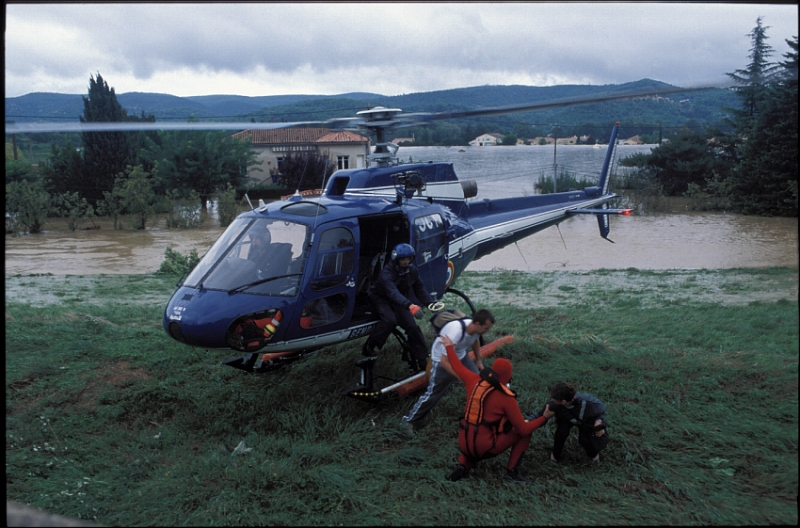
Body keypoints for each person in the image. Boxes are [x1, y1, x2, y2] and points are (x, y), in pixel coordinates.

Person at [441, 335, 555, 483]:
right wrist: (544, 417)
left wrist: (449, 346)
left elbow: (457, 365)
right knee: (525, 433)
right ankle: (512, 473)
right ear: (508, 377)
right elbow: (523, 429)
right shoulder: (506, 398)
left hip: (463, 442)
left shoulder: (473, 381)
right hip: (485, 447)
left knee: (478, 431)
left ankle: (464, 464)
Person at [401, 308, 495, 431]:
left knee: (478, 385)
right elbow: (444, 362)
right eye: (486, 328)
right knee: (434, 394)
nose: (488, 331)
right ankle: (408, 420)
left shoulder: (476, 330)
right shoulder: (455, 332)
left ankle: (476, 416)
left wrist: (478, 360)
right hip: (441, 360)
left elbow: (475, 340)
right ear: (477, 323)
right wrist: (462, 377)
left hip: (460, 355)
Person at [363, 243, 435, 373]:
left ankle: (422, 359)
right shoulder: (386, 273)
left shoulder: (412, 270)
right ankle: (369, 346)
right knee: (390, 320)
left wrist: (430, 304)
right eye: (403, 259)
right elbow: (392, 293)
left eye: (408, 259)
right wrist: (410, 305)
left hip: (399, 301)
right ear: (396, 259)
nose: (406, 262)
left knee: (413, 327)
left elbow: (419, 288)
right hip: (381, 299)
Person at [528, 382, 609, 463]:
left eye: (555, 399)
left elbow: (601, 409)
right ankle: (555, 456)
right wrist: (528, 421)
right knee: (561, 434)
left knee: (584, 439)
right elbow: (539, 414)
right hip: (566, 419)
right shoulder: (554, 405)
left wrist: (599, 421)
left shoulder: (587, 402)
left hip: (584, 420)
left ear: (563, 402)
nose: (552, 400)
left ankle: (594, 455)